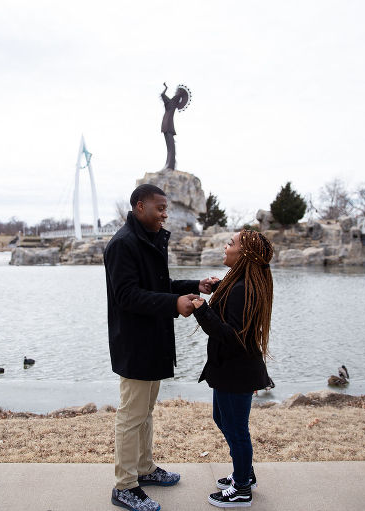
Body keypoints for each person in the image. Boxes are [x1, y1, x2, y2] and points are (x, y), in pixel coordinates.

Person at [104, 183, 218, 511]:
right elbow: (127, 296)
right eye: (160, 208)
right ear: (140, 206)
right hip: (135, 344)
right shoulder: (122, 245)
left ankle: (144, 469)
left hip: (153, 340)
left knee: (146, 412)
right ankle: (124, 486)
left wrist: (193, 286)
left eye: (166, 208)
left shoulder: (150, 240)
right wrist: (173, 304)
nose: (164, 214)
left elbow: (160, 286)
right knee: (131, 415)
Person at [191, 230, 274, 508]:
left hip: (237, 372)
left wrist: (202, 310)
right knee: (222, 419)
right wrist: (216, 290)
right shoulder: (238, 282)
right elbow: (231, 308)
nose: (226, 247)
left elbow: (231, 336)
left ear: (244, 254)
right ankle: (244, 473)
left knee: (237, 429)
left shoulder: (242, 289)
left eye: (231, 243)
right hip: (229, 369)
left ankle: (241, 489)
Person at [160, 83, 189, 170]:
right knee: (169, 146)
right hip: (166, 125)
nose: (175, 92)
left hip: (168, 125)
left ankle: (170, 165)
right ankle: (169, 164)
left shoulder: (174, 100)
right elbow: (163, 95)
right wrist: (166, 88)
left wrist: (180, 92)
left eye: (177, 91)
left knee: (171, 146)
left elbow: (165, 95)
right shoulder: (170, 102)